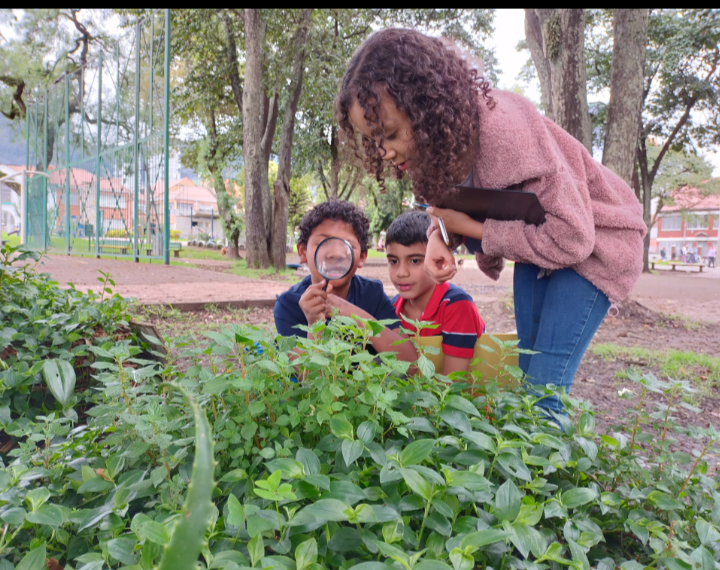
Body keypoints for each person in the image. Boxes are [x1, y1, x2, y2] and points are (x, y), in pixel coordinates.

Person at [336, 28, 647, 414]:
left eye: (392, 134)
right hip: (539, 247)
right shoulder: (425, 150)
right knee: (526, 377)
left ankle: (549, 471)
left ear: (425, 108)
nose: (385, 152)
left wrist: (472, 231)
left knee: (545, 392)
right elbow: (451, 210)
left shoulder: (507, 131)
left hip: (596, 244)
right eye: (375, 140)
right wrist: (439, 237)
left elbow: (573, 238)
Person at [274, 200, 416, 361]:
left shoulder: (372, 294)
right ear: (302, 252)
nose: (336, 253)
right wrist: (315, 325)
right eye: (323, 242)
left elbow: (410, 363)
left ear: (362, 257)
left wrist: (354, 314)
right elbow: (309, 380)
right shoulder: (288, 305)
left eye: (347, 244)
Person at [385, 211, 485, 376]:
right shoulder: (391, 308)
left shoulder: (457, 306)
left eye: (415, 261)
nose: (401, 273)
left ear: (438, 258)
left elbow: (453, 382)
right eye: (393, 261)